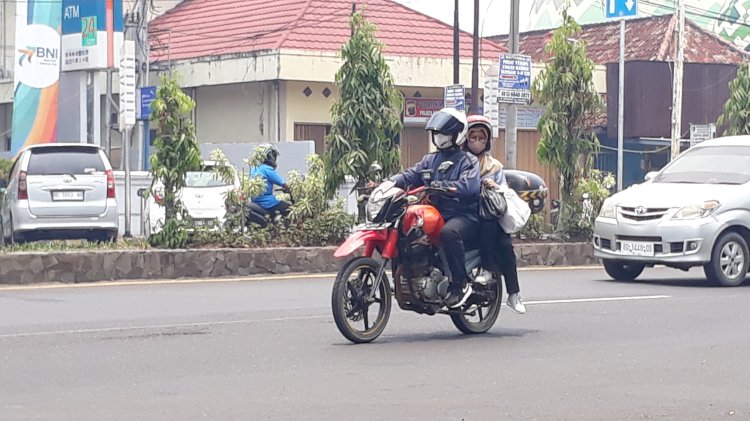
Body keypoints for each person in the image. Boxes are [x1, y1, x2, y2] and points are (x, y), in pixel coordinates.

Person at [391, 108, 480, 308]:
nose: (440, 137)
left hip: (463, 215)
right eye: (438, 133)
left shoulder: (468, 161)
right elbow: (411, 174)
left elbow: (470, 187)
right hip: (435, 213)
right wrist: (390, 182)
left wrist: (444, 186)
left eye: (445, 133)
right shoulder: (430, 160)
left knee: (449, 232)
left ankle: (460, 284)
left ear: (458, 134)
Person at [464, 114, 526, 314]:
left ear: (487, 141)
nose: (477, 142)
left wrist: (495, 186)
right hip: (467, 216)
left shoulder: (495, 166)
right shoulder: (460, 162)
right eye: (472, 138)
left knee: (505, 245)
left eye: (481, 138)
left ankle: (513, 293)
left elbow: (505, 193)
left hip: (490, 215)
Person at [250, 143, 291, 218]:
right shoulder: (267, 169)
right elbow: (284, 184)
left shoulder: (254, 168)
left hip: (255, 202)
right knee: (290, 209)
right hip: (267, 202)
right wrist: (291, 188)